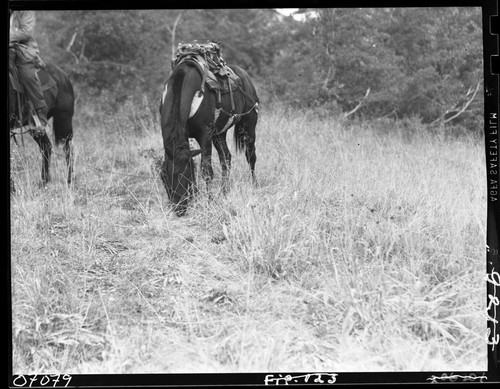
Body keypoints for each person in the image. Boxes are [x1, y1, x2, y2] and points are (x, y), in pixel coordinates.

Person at [9, 10, 48, 136]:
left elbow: (26, 32)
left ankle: (41, 116)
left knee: (27, 76)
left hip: (21, 50)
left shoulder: (25, 11)